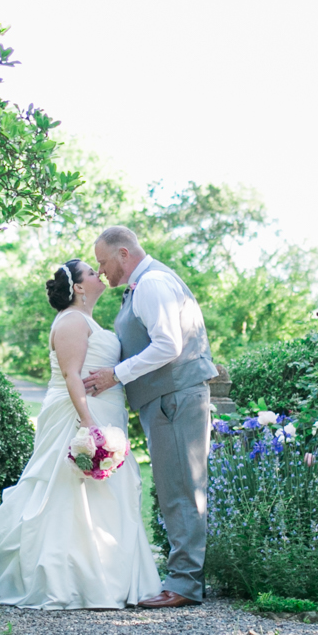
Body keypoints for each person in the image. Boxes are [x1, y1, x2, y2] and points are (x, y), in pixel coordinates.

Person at [0, 258, 161, 609]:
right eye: (91, 273)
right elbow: (71, 375)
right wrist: (88, 423)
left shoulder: (89, 320)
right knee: (69, 490)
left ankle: (107, 576)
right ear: (77, 287)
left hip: (104, 413)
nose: (98, 274)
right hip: (78, 414)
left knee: (103, 492)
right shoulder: (72, 321)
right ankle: (69, 580)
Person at [82, 225, 215, 609]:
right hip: (165, 398)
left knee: (182, 490)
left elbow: (168, 346)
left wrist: (115, 375)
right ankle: (183, 577)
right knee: (175, 488)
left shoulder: (153, 284)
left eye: (103, 262)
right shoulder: (145, 285)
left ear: (124, 254)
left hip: (174, 397)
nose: (102, 271)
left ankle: (185, 584)